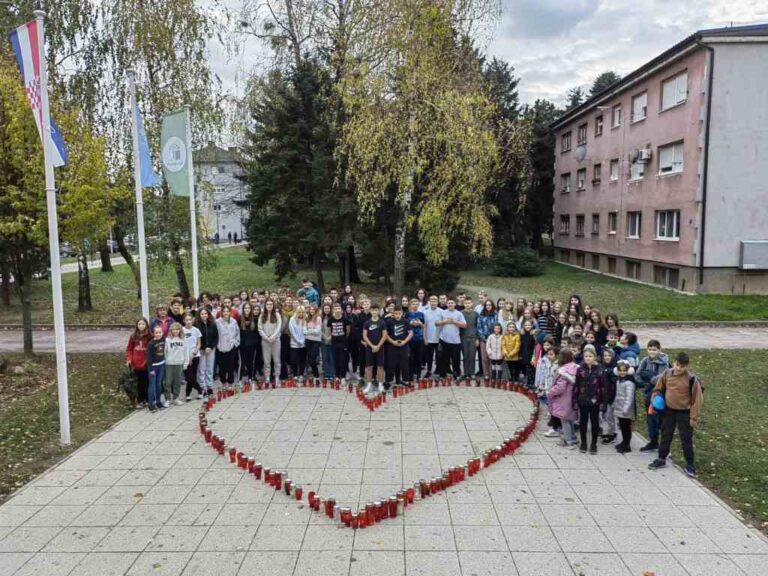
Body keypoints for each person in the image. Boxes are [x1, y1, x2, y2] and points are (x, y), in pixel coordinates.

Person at [648, 352, 704, 477]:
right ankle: (661, 458)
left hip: (684, 412)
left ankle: (690, 465)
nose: (679, 368)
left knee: (686, 439)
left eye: (682, 366)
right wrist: (654, 400)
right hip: (669, 410)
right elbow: (658, 388)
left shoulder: (691, 379)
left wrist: (693, 417)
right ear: (674, 362)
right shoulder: (667, 373)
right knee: (665, 434)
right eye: (677, 365)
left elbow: (697, 400)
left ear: (687, 366)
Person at [635, 339, 670, 452]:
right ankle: (653, 442)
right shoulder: (645, 360)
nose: (652, 352)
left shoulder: (664, 362)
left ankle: (664, 446)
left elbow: (661, 378)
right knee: (650, 419)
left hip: (659, 395)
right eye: (650, 349)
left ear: (659, 350)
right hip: (647, 394)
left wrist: (649, 377)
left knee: (660, 420)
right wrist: (645, 382)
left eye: (654, 350)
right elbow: (637, 375)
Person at [573, 344, 607, 454]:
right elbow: (576, 385)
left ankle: (594, 443)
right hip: (583, 400)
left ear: (595, 357)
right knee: (583, 422)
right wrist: (575, 400)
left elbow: (603, 387)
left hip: (595, 401)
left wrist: (603, 402)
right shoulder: (580, 369)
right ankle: (583, 442)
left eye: (590, 356)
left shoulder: (600, 370)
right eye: (586, 356)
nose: (588, 358)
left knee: (594, 423)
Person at [548, 348, 579, 448]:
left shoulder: (563, 371)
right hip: (572, 398)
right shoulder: (575, 367)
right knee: (570, 419)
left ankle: (568, 440)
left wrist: (550, 392)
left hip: (563, 399)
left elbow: (560, 387)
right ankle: (573, 437)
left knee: (564, 420)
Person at [436, 298, 466, 378]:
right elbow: (436, 323)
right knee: (443, 359)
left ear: (455, 304)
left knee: (456, 359)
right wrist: (444, 321)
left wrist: (455, 321)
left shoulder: (459, 313)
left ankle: (456, 374)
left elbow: (464, 325)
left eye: (452, 303)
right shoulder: (443, 312)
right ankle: (443, 375)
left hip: (455, 341)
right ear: (446, 304)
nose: (450, 304)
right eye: (449, 303)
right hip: (444, 340)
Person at [126, 318, 151, 409]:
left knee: (147, 383)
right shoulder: (133, 336)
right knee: (139, 384)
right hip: (136, 365)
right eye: (139, 324)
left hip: (147, 364)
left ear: (146, 325)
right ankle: (140, 401)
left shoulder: (150, 336)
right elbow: (129, 349)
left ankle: (148, 400)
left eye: (143, 324)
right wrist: (129, 359)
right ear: (137, 325)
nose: (141, 326)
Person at [385, 305, 413, 388]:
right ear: (393, 313)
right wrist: (393, 342)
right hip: (392, 345)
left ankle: (406, 380)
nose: (397, 315)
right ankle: (388, 381)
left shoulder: (406, 321)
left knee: (404, 363)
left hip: (404, 345)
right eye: (396, 313)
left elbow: (411, 333)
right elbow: (385, 334)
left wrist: (404, 341)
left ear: (402, 313)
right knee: (391, 364)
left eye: (399, 313)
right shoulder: (389, 322)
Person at [612, 360, 636, 453]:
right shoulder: (619, 381)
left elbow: (629, 397)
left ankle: (627, 445)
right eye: (620, 370)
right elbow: (617, 394)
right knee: (622, 426)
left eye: (624, 370)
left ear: (628, 371)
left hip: (626, 409)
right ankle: (624, 442)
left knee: (626, 428)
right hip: (619, 407)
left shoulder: (629, 382)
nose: (622, 372)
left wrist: (626, 409)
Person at [363, 304, 388, 393]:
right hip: (370, 348)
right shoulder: (367, 323)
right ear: (370, 311)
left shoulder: (382, 322)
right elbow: (364, 336)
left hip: (380, 348)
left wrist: (378, 346)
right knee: (369, 367)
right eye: (373, 310)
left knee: (380, 366)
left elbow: (385, 335)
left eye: (376, 310)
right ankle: (369, 384)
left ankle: (380, 384)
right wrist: (372, 346)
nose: (374, 312)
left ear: (378, 311)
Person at [216, 306, 240, 389]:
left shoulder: (233, 321)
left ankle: (230, 383)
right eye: (224, 311)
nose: (226, 313)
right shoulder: (217, 322)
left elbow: (237, 333)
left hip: (231, 347)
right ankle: (223, 382)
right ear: (221, 312)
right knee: (222, 367)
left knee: (230, 366)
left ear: (230, 312)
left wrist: (235, 343)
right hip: (220, 347)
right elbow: (215, 334)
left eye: (227, 311)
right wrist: (217, 344)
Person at [259, 299, 282, 385]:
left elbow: (279, 327)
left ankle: (277, 376)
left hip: (275, 340)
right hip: (265, 341)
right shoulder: (262, 315)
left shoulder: (277, 315)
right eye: (267, 304)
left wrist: (273, 336)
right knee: (266, 361)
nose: (269, 306)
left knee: (276, 360)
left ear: (273, 305)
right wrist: (266, 337)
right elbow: (260, 328)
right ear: (265, 305)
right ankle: (267, 377)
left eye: (271, 304)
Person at [164, 322, 189, 406]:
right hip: (169, 363)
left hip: (179, 363)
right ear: (171, 330)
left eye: (177, 329)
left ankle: (176, 398)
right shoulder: (167, 340)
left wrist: (186, 363)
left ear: (180, 330)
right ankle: (167, 399)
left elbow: (186, 351)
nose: (175, 331)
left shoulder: (183, 339)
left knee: (177, 382)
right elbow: (165, 352)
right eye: (174, 329)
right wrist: (165, 361)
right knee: (168, 382)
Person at [196, 308, 218, 396]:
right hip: (201, 350)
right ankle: (202, 387)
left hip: (211, 350)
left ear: (208, 315)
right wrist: (204, 347)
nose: (204, 315)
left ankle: (209, 387)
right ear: (199, 315)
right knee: (201, 369)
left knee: (209, 369)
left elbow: (216, 337)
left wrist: (210, 347)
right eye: (202, 314)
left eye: (205, 313)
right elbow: (197, 339)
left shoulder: (213, 324)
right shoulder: (196, 325)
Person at [182, 313, 203, 401]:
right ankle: (200, 390)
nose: (188, 322)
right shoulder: (181, 330)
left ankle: (188, 394)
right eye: (186, 320)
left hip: (195, 356)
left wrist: (194, 354)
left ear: (192, 320)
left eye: (190, 320)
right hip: (185, 357)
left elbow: (199, 344)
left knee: (193, 376)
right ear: (184, 321)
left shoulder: (196, 330)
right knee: (189, 377)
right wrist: (187, 357)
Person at [327, 303, 350, 382]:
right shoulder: (331, 319)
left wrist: (344, 338)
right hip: (334, 342)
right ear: (333, 310)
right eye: (335, 309)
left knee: (342, 359)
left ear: (341, 310)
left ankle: (343, 376)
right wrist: (331, 337)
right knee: (335, 359)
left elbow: (347, 331)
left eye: (338, 309)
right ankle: (337, 376)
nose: (337, 310)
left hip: (343, 342)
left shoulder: (345, 319)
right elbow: (330, 330)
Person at [146, 325, 167, 412]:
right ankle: (151, 404)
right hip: (153, 367)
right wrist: (151, 369)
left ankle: (158, 401)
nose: (158, 334)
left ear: (162, 332)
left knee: (159, 384)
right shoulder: (151, 344)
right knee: (152, 385)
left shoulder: (164, 340)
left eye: (160, 332)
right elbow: (149, 358)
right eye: (156, 333)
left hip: (161, 365)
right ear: (153, 333)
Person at [600, 348, 618, 444]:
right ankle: (605, 431)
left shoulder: (615, 369)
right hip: (602, 395)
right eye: (605, 355)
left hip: (611, 396)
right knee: (603, 415)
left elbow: (614, 383)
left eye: (609, 355)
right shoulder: (601, 367)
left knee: (609, 415)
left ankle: (612, 433)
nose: (607, 357)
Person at [239, 302, 259, 385]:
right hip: (242, 346)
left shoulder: (254, 319)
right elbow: (238, 333)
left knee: (250, 362)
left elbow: (257, 333)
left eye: (248, 308)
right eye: (245, 308)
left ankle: (250, 378)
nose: (247, 310)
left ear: (251, 309)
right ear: (243, 309)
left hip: (252, 345)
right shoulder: (239, 319)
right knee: (242, 363)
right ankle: (240, 379)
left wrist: (254, 342)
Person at [405, 299, 425, 382]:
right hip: (410, 339)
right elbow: (404, 325)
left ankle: (418, 375)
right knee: (410, 358)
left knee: (419, 357)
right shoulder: (407, 314)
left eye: (416, 303)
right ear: (410, 305)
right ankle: (410, 375)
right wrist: (410, 323)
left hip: (419, 338)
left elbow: (423, 326)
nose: (415, 305)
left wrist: (420, 324)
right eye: (413, 303)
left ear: (418, 305)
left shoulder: (421, 314)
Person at [422, 295, 442, 378]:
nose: (433, 302)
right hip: (429, 339)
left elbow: (443, 326)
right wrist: (425, 338)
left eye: (435, 300)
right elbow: (424, 326)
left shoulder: (441, 311)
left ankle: (438, 370)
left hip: (439, 339)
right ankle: (429, 371)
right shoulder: (425, 312)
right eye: (432, 301)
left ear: (438, 302)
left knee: (439, 357)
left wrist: (442, 339)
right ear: (429, 302)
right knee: (429, 357)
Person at [460, 297, 478, 381]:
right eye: (466, 303)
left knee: (472, 356)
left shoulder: (475, 314)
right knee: (465, 356)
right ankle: (466, 373)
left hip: (473, 338)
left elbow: (478, 326)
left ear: (472, 303)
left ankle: (472, 373)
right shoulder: (460, 313)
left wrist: (477, 338)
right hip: (463, 337)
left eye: (469, 303)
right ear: (464, 304)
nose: (467, 305)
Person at [477, 299, 496, 378]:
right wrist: (484, 338)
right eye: (487, 305)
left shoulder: (495, 315)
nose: (488, 306)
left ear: (492, 306)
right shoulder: (481, 315)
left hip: (493, 339)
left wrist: (492, 337)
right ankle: (486, 374)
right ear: (485, 306)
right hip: (483, 340)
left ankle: (493, 374)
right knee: (484, 358)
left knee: (492, 357)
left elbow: (497, 326)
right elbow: (479, 328)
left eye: (490, 305)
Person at [304, 304, 323, 381]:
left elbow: (317, 331)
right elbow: (304, 331)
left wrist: (309, 331)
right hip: (308, 341)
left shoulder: (318, 318)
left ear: (316, 310)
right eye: (310, 309)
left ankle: (316, 376)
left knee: (313, 359)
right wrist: (312, 331)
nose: (312, 311)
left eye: (313, 309)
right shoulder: (307, 318)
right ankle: (315, 375)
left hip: (316, 341)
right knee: (309, 360)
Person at [289, 306, 308, 379]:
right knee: (293, 360)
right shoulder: (292, 319)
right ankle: (295, 374)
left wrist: (303, 341)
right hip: (294, 343)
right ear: (296, 312)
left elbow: (307, 330)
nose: (301, 313)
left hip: (303, 343)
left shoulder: (306, 319)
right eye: (299, 312)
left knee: (302, 360)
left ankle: (301, 374)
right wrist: (298, 340)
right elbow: (292, 331)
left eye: (302, 312)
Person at [519, 320, 536, 388]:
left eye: (529, 325)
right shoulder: (522, 334)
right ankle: (526, 382)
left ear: (531, 326)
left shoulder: (533, 334)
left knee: (531, 369)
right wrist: (520, 354)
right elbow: (521, 345)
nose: (527, 326)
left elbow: (535, 345)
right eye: (526, 325)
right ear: (523, 326)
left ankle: (531, 383)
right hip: (524, 354)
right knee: (525, 369)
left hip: (531, 354)